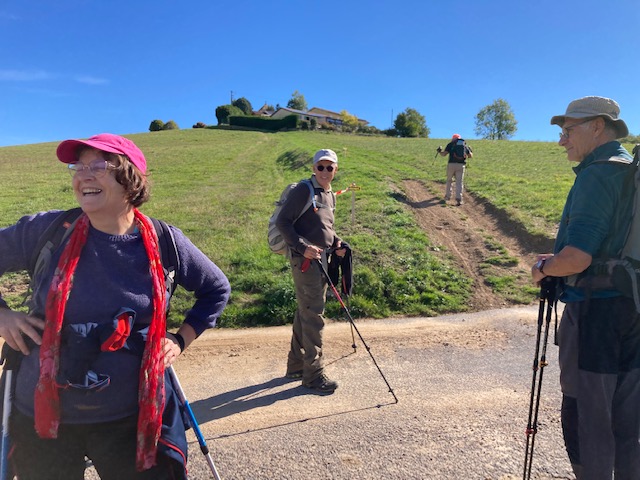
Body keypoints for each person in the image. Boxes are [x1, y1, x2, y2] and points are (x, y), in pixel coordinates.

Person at [0, 133, 231, 479]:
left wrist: (179, 339)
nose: (83, 175)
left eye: (99, 166)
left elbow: (216, 288)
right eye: (78, 166)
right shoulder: (46, 231)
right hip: (42, 419)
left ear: (130, 179)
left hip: (133, 418)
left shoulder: (165, 242)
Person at [530, 96, 639, 479]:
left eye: (568, 130)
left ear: (597, 126)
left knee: (586, 416)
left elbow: (578, 258)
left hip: (595, 316)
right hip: (633, 307)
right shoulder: (629, 169)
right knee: (627, 420)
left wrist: (546, 267)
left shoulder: (598, 174)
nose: (562, 141)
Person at [275, 148, 347, 394]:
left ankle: (296, 365)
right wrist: (302, 246)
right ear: (313, 168)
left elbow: (326, 227)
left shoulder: (329, 195)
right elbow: (282, 222)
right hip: (306, 261)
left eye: (330, 167)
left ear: (336, 170)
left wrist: (336, 243)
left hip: (323, 260)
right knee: (314, 315)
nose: (325, 171)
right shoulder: (303, 190)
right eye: (321, 167)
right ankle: (313, 375)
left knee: (306, 311)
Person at [437, 133, 473, 206]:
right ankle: (459, 199)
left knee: (449, 180)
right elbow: (470, 156)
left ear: (453, 138)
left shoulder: (451, 144)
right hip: (461, 165)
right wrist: (471, 151)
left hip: (451, 164)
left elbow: (444, 154)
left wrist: (439, 151)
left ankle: (447, 197)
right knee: (459, 182)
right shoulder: (464, 145)